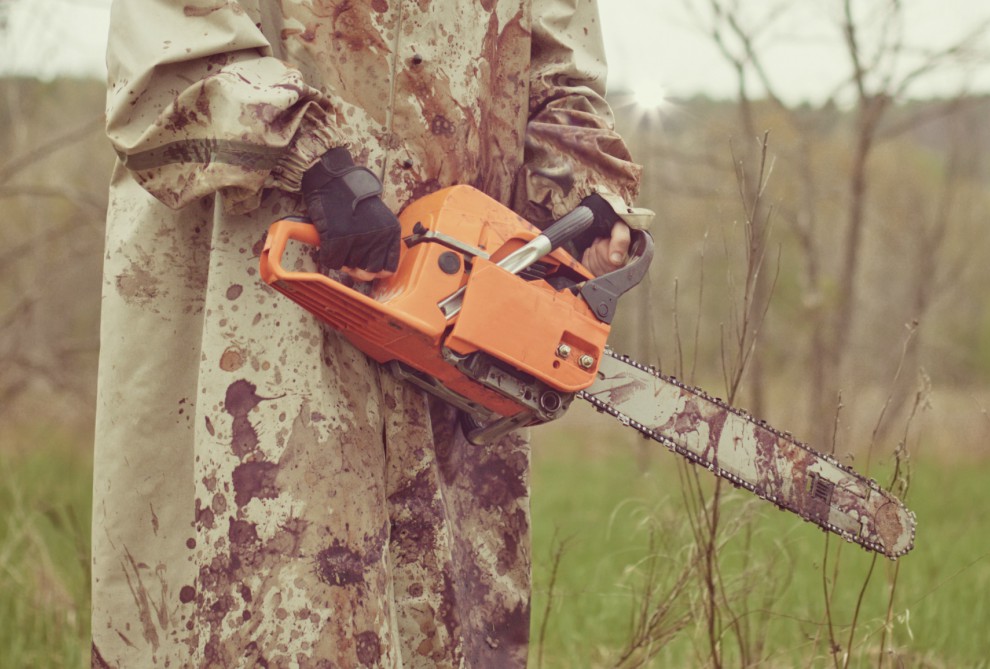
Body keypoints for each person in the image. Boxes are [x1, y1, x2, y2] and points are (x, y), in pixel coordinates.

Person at [92, 1, 649, 667]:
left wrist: (575, 199)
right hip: (257, 277)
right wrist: (312, 159)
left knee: (440, 616)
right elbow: (169, 41)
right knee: (261, 593)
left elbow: (555, 69)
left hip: (454, 295)